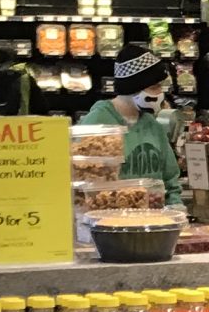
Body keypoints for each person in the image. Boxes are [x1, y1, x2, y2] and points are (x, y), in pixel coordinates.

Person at [79, 47, 184, 206]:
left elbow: (170, 178)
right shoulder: (97, 123)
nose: (160, 93)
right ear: (134, 87)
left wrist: (176, 206)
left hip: (153, 220)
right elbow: (85, 179)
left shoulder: (153, 125)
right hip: (111, 218)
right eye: (154, 87)